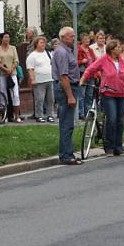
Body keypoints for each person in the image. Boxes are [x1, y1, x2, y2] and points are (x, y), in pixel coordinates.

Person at [81, 38, 124, 157]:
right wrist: (83, 79)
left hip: (122, 94)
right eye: (118, 47)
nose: (120, 49)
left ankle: (118, 146)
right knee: (112, 119)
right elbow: (91, 69)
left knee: (120, 121)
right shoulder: (103, 60)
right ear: (111, 49)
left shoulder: (123, 62)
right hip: (108, 93)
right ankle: (109, 146)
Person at [51, 27, 82, 165]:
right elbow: (64, 76)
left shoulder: (66, 51)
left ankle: (68, 152)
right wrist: (70, 96)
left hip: (71, 87)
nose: (73, 38)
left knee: (69, 123)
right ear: (63, 37)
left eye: (74, 36)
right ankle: (65, 155)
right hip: (66, 89)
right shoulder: (62, 52)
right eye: (71, 36)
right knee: (66, 123)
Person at [26, 36, 54, 122]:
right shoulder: (32, 55)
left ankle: (50, 115)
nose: (43, 44)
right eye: (41, 43)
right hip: (39, 80)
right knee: (40, 99)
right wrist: (33, 79)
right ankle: (39, 116)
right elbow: (30, 69)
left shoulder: (48, 53)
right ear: (36, 44)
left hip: (50, 79)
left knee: (51, 99)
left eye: (44, 43)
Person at [0, 32, 21, 123]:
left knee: (15, 94)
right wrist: (4, 69)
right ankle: (5, 115)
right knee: (3, 95)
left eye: (8, 37)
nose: (7, 39)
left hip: (12, 74)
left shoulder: (13, 48)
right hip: (2, 75)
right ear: (1, 38)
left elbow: (16, 60)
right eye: (5, 37)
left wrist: (11, 69)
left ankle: (17, 116)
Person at [77, 33, 96, 119]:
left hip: (91, 74)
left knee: (89, 95)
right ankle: (81, 113)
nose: (87, 41)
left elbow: (95, 61)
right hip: (82, 74)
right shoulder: (78, 49)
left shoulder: (90, 50)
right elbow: (75, 62)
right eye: (85, 39)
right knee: (81, 95)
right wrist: (82, 61)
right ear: (81, 40)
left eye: (88, 39)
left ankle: (88, 112)